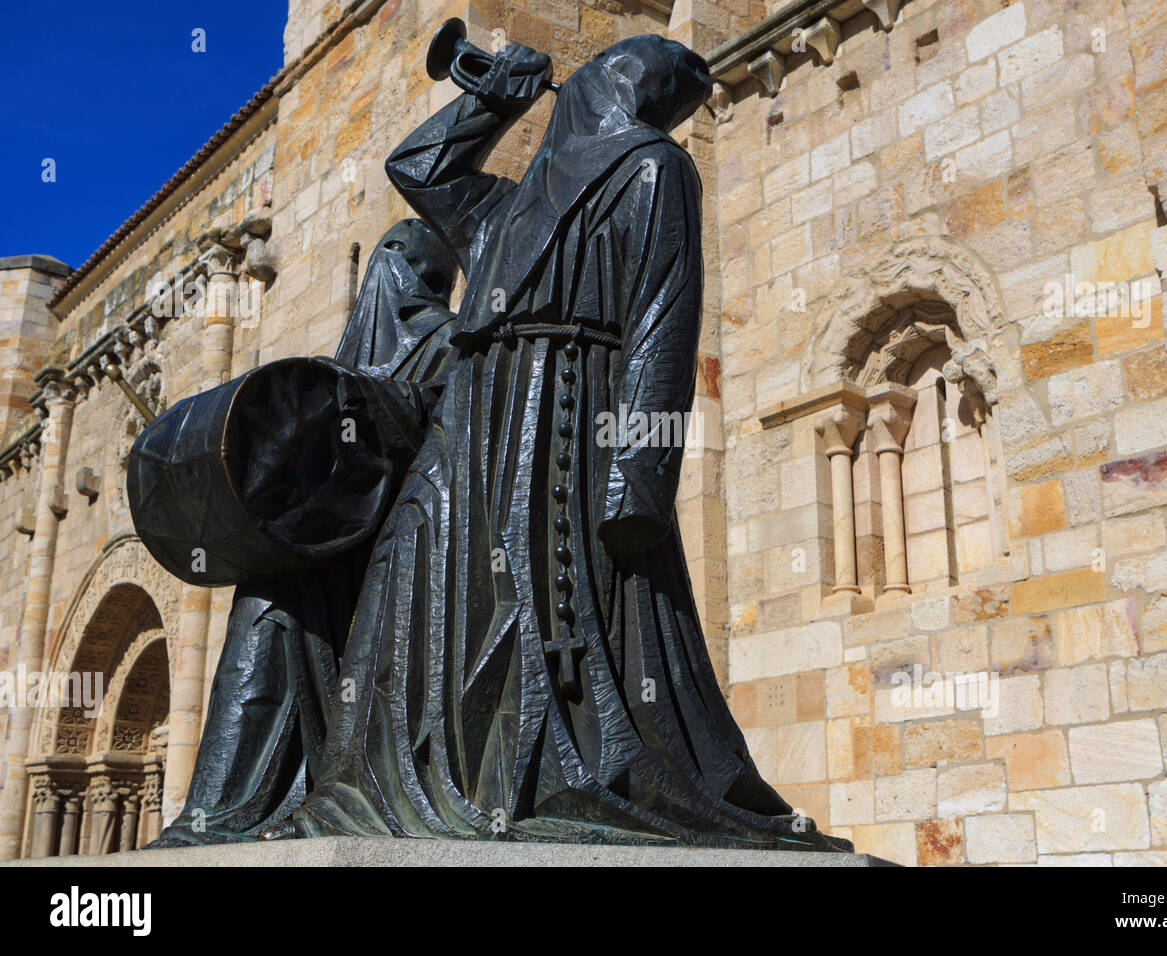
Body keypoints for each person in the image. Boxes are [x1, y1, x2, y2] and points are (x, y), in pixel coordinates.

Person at [271, 35, 849, 851]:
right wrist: (491, 100)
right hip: (476, 415)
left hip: (569, 415)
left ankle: (539, 778)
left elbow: (663, 321)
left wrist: (639, 475)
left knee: (559, 605)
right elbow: (418, 170)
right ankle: (391, 781)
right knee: (413, 570)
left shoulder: (655, 167)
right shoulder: (511, 202)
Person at [137, 220, 458, 846]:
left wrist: (374, 408)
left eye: (400, 257)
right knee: (262, 605)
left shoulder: (451, 345)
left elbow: (449, 441)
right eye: (382, 254)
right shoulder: (344, 359)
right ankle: (221, 809)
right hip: (328, 548)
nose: (385, 272)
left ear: (425, 274)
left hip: (402, 551)